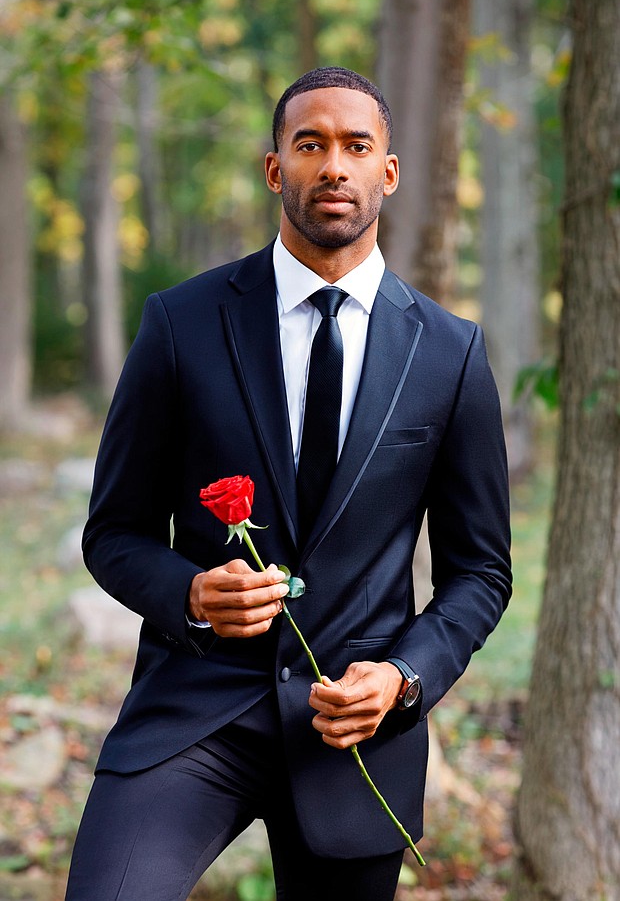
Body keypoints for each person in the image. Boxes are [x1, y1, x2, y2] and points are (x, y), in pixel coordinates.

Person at [65, 66, 511, 901]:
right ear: (277, 169)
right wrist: (194, 592)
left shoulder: (452, 355)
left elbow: (481, 572)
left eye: (356, 146)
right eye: (311, 145)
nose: (333, 166)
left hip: (353, 733)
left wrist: (404, 679)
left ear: (389, 171)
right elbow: (113, 533)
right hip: (194, 716)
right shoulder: (180, 323)